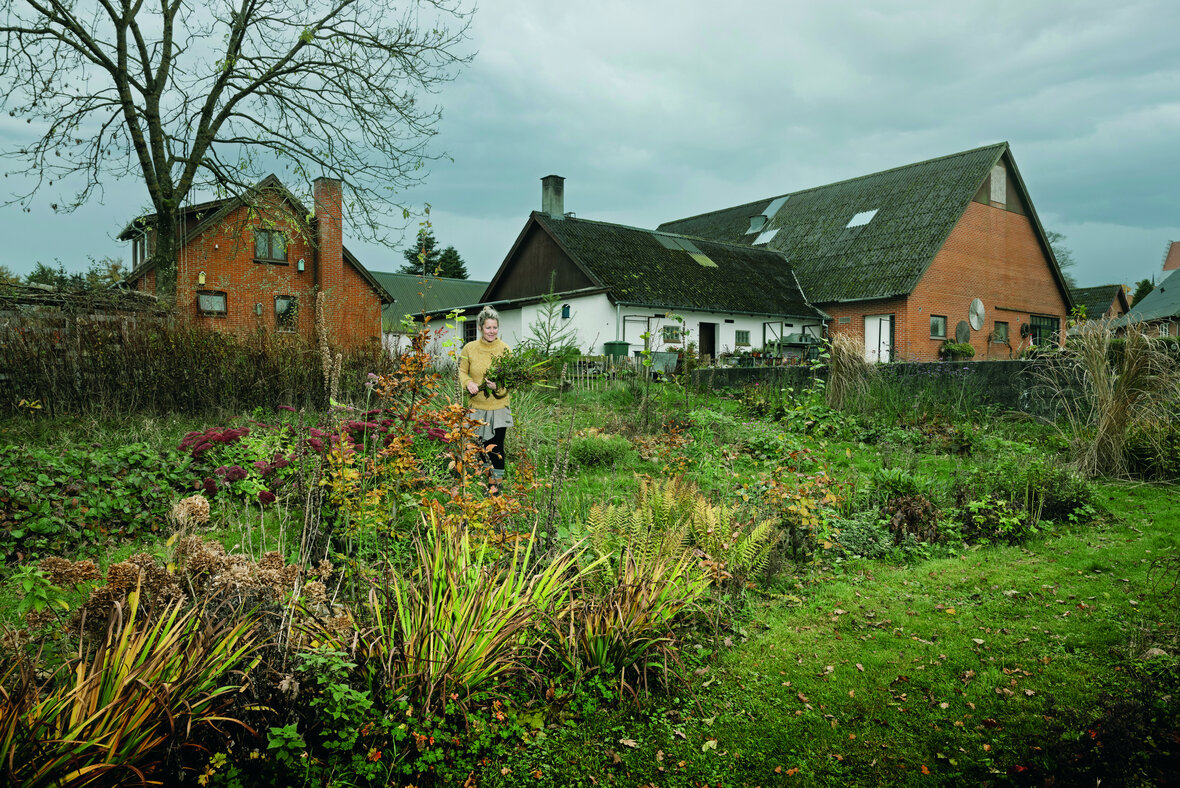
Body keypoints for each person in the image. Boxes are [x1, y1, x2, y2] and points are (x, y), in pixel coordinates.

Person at [459, 306, 513, 495]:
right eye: (488, 327)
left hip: (499, 407)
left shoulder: (505, 349)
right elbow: (462, 371)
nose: (492, 331)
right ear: (481, 327)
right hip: (477, 408)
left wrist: (497, 387)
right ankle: (485, 480)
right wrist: (468, 383)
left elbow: (511, 378)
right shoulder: (470, 348)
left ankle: (496, 486)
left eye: (495, 327)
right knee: (480, 447)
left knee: (497, 448)